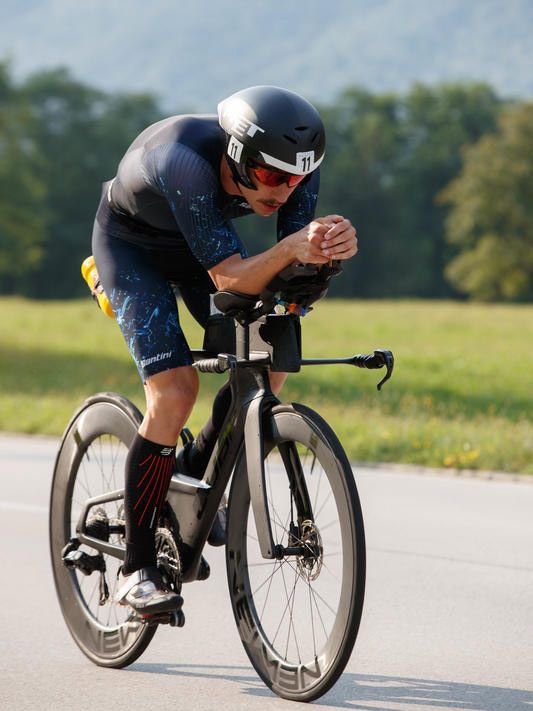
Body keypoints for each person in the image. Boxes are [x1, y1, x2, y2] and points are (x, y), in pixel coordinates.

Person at [91, 85, 358, 616]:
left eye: (296, 179)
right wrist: (290, 248)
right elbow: (232, 278)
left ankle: (189, 473)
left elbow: (288, 283)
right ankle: (136, 569)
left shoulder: (294, 168)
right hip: (133, 251)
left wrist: (327, 256)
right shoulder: (184, 161)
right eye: (270, 176)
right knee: (175, 391)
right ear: (236, 156)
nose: (283, 190)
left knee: (269, 370)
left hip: (204, 251)